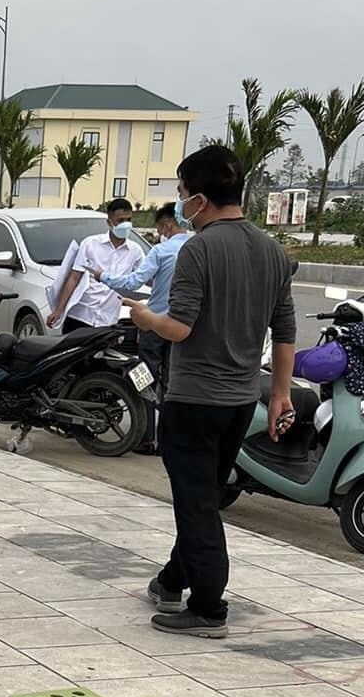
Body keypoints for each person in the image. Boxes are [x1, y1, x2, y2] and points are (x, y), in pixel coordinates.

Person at [123, 146, 296, 637]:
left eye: (181, 195)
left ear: (199, 199)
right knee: (202, 496)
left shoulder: (198, 249)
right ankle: (172, 579)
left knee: (197, 504)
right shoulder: (272, 250)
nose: (179, 205)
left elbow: (178, 327)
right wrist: (280, 394)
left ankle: (208, 607)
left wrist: (144, 317)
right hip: (241, 401)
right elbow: (284, 331)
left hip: (194, 399)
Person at [90, 202, 190, 453]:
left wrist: (103, 276)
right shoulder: (196, 247)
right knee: (171, 383)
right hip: (182, 325)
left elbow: (134, 281)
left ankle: (146, 438)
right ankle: (169, 439)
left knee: (145, 377)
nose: (160, 233)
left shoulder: (161, 251)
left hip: (153, 324)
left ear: (166, 226)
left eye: (160, 229)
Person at [47, 197, 143, 333]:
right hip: (81, 315)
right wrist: (58, 309)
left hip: (108, 320)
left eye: (128, 220)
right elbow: (74, 277)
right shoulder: (90, 244)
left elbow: (144, 278)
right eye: (120, 221)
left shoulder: (135, 251)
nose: (126, 225)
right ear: (109, 223)